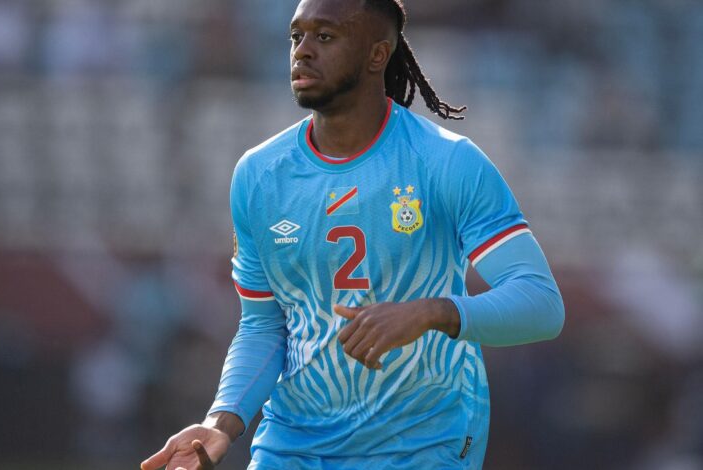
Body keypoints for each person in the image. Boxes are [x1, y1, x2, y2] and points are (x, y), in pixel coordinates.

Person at [141, 0, 564, 468]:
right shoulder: (258, 175)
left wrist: (429, 313)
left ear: (377, 54)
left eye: (324, 37)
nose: (302, 51)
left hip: (423, 442)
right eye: (296, 36)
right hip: (294, 445)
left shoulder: (447, 162)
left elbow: (541, 303)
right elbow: (264, 325)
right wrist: (221, 423)